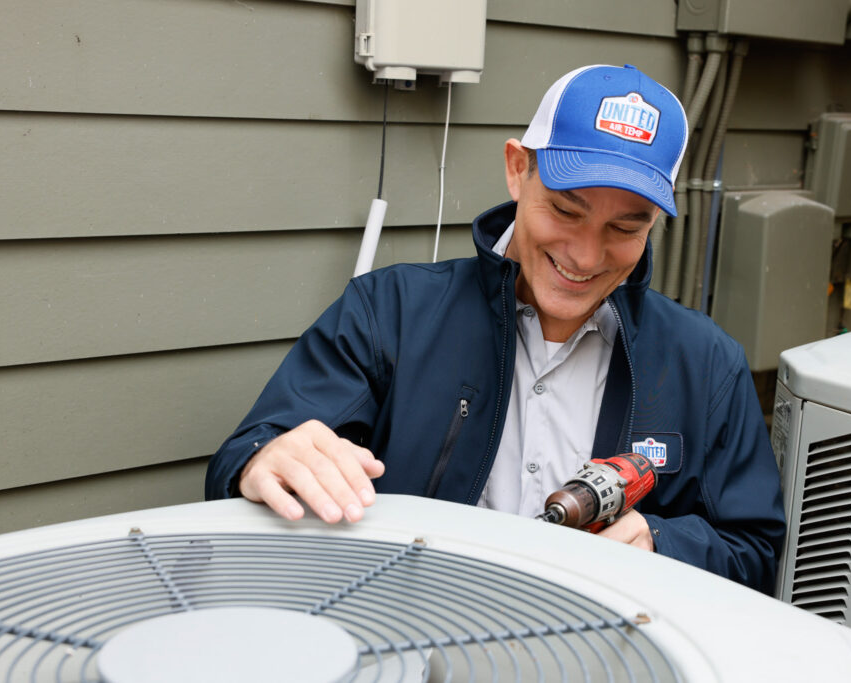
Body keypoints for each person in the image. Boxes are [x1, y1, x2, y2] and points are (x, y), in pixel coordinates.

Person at [206, 64, 786, 594]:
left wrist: (662, 544)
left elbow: (756, 548)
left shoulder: (706, 362)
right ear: (517, 169)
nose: (585, 256)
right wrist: (265, 459)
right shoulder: (391, 310)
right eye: (566, 210)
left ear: (655, 220)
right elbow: (245, 456)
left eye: (625, 228)